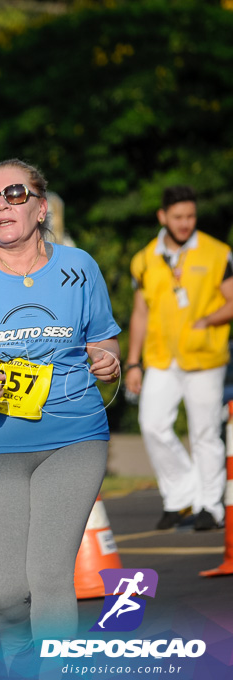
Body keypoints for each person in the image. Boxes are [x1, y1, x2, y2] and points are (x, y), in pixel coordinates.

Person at [0, 159, 121, 670]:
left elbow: (103, 342)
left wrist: (107, 361)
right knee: (4, 592)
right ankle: (19, 654)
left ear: (41, 207)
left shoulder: (79, 266)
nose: (1, 206)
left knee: (49, 573)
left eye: (14, 194)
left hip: (74, 433)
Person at [126, 185, 233, 531]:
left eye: (191, 216)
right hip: (160, 357)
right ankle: (181, 496)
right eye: (178, 217)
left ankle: (210, 505)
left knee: (204, 432)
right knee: (152, 424)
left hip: (205, 356)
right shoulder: (144, 259)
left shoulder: (217, 253)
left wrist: (207, 320)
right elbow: (139, 313)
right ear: (163, 217)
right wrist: (133, 362)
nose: (185, 223)